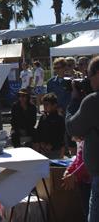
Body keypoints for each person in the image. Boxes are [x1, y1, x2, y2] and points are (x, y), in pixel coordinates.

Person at [66, 56, 99, 221]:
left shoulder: (93, 101)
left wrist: (74, 100)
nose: (88, 79)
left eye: (89, 74)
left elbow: (73, 128)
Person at [61, 140, 91, 220]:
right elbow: (78, 159)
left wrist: (73, 174)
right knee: (86, 211)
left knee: (92, 212)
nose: (72, 139)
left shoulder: (91, 139)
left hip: (91, 181)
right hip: (83, 181)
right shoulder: (81, 141)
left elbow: (89, 161)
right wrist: (69, 170)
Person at [32, 93, 65, 159]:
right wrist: (41, 142)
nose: (44, 106)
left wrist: (52, 145)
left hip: (56, 150)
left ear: (54, 105)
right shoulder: (43, 117)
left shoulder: (59, 118)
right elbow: (39, 131)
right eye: (43, 104)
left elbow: (61, 135)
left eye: (47, 104)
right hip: (43, 149)